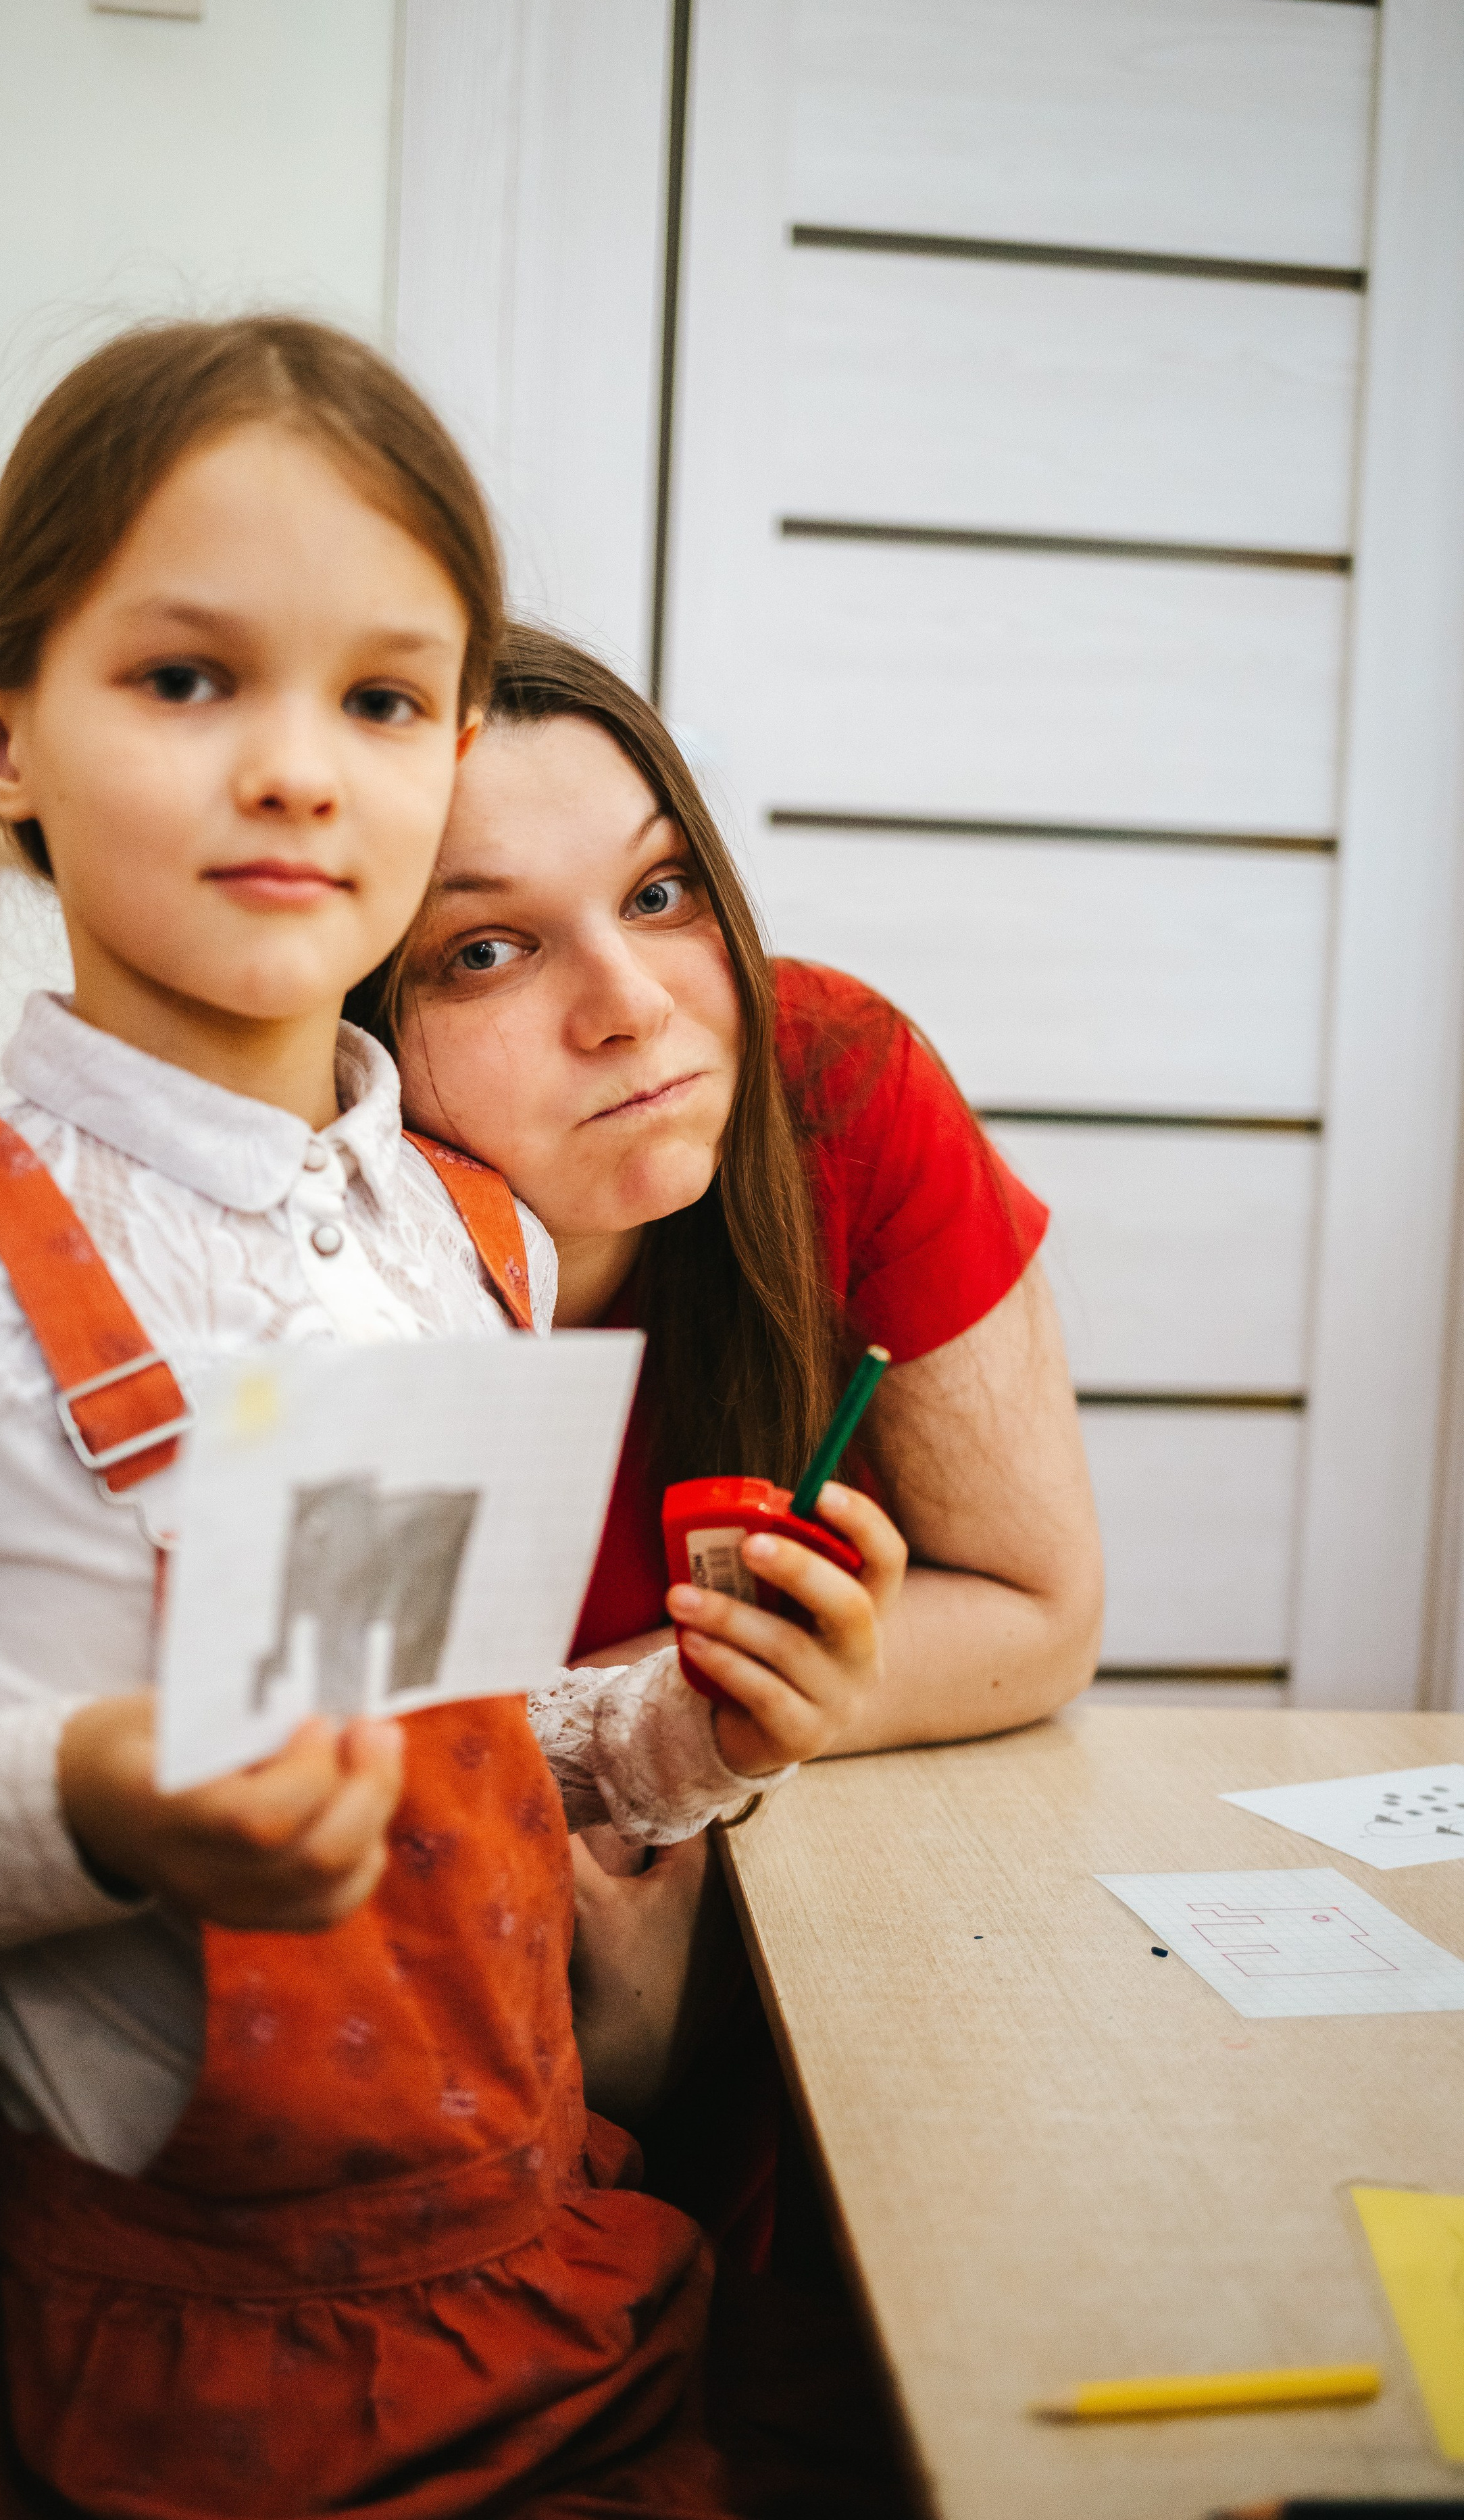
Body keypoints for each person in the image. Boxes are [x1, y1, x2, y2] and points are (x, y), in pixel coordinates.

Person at [0, 323, 901, 2520]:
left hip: (548, 2286)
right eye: (189, 679)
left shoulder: (469, 1238)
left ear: (450, 747)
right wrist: (82, 1802)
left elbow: (425, 1741)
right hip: (179, 2387)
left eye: (378, 699)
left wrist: (694, 1720)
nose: (293, 768)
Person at [347, 620, 1105, 2256]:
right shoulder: (320, 1245)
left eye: (656, 893)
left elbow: (1038, 1609)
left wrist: (680, 1726)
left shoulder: (839, 1077)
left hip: (813, 1980)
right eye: (481, 952)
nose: (629, 1008)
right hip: (426, 2068)